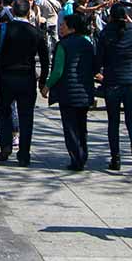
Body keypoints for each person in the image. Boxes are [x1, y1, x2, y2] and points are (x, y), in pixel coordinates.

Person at [0, 0, 51, 166]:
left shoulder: (4, 28)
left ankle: (5, 146)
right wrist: (43, 81)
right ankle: (24, 154)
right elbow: (45, 60)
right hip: (27, 79)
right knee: (26, 117)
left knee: (4, 112)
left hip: (6, 77)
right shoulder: (36, 32)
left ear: (13, 11)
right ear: (29, 12)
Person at [45, 14, 96, 171]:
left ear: (72, 27)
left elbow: (58, 70)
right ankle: (83, 154)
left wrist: (47, 86)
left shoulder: (63, 45)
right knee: (82, 126)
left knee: (70, 127)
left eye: (63, 25)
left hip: (68, 91)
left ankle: (76, 158)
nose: (60, 28)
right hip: (85, 90)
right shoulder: (88, 44)